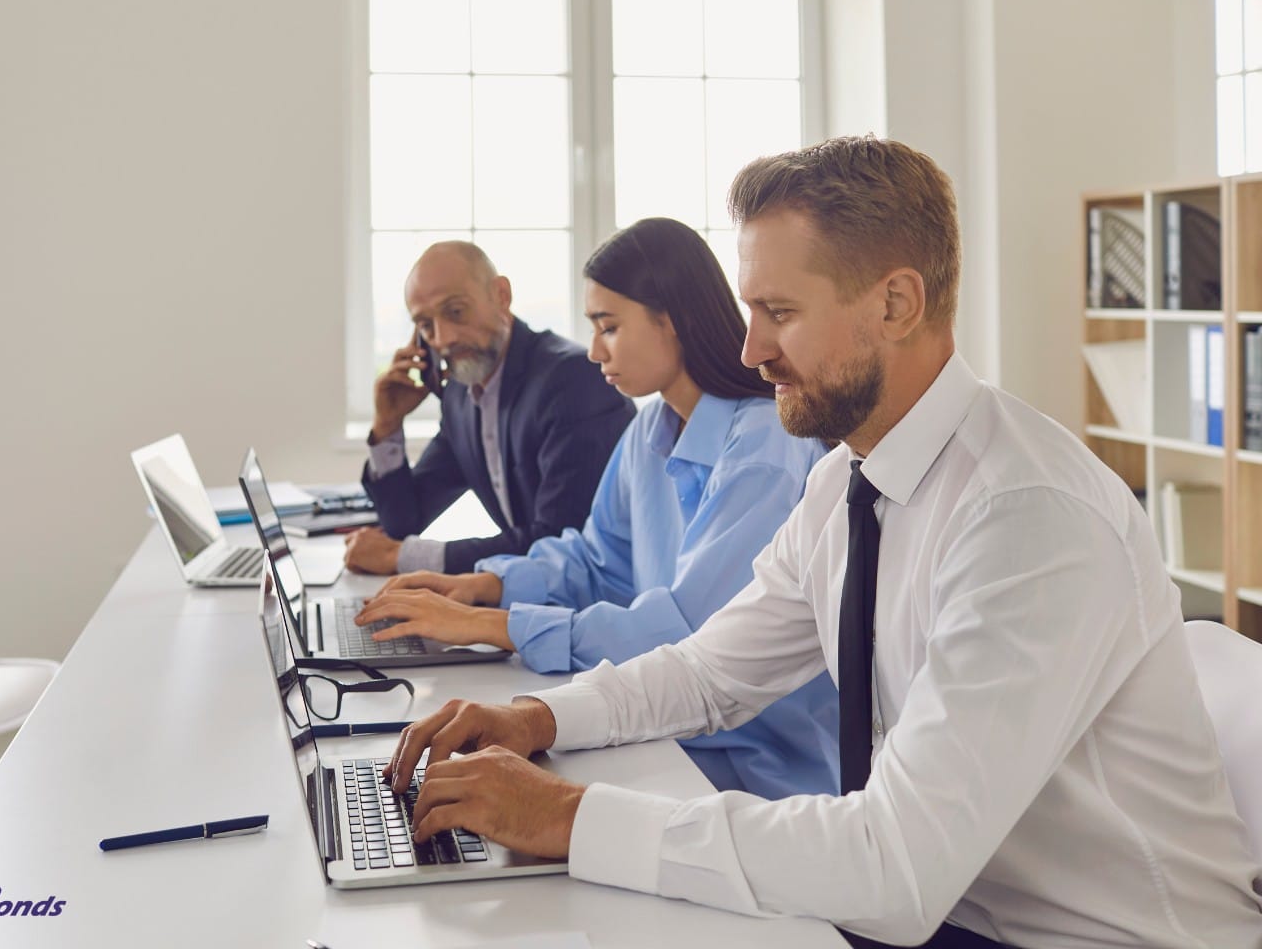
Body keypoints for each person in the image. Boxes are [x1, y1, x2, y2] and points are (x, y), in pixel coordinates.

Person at [378, 137, 1262, 948]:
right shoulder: (847, 481)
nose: (751, 347)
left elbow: (898, 867)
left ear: (897, 303)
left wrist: (569, 818)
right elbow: (709, 670)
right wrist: (534, 718)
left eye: (779, 312)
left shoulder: (1027, 518)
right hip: (960, 911)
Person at [356, 217, 839, 799]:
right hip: (660, 731)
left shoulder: (765, 448)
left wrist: (495, 625)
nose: (593, 350)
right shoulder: (650, 430)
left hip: (752, 763)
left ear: (674, 321)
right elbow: (597, 560)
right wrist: (484, 586)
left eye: (609, 327)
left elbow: (691, 636)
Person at [347, 241, 634, 576]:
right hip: (533, 596)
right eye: (426, 325)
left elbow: (558, 541)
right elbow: (404, 523)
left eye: (455, 312)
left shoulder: (573, 381)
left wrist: (405, 558)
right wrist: (388, 425)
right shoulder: (460, 394)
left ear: (501, 295)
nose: (443, 338)